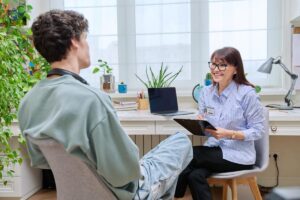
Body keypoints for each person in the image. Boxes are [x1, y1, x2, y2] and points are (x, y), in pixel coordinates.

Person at [18, 10, 193, 200]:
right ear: (75, 41)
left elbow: (42, 160)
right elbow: (126, 171)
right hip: (127, 194)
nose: (88, 45)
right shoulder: (92, 99)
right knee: (181, 141)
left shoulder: (28, 102)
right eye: (85, 38)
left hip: (75, 193)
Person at [174, 47, 265, 200]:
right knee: (195, 175)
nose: (216, 69)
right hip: (214, 150)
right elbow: (205, 124)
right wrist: (199, 123)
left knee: (186, 154)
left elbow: (258, 130)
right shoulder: (206, 92)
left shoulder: (247, 94)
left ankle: (173, 197)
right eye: (213, 64)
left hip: (239, 155)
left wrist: (229, 133)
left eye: (222, 65)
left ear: (235, 69)